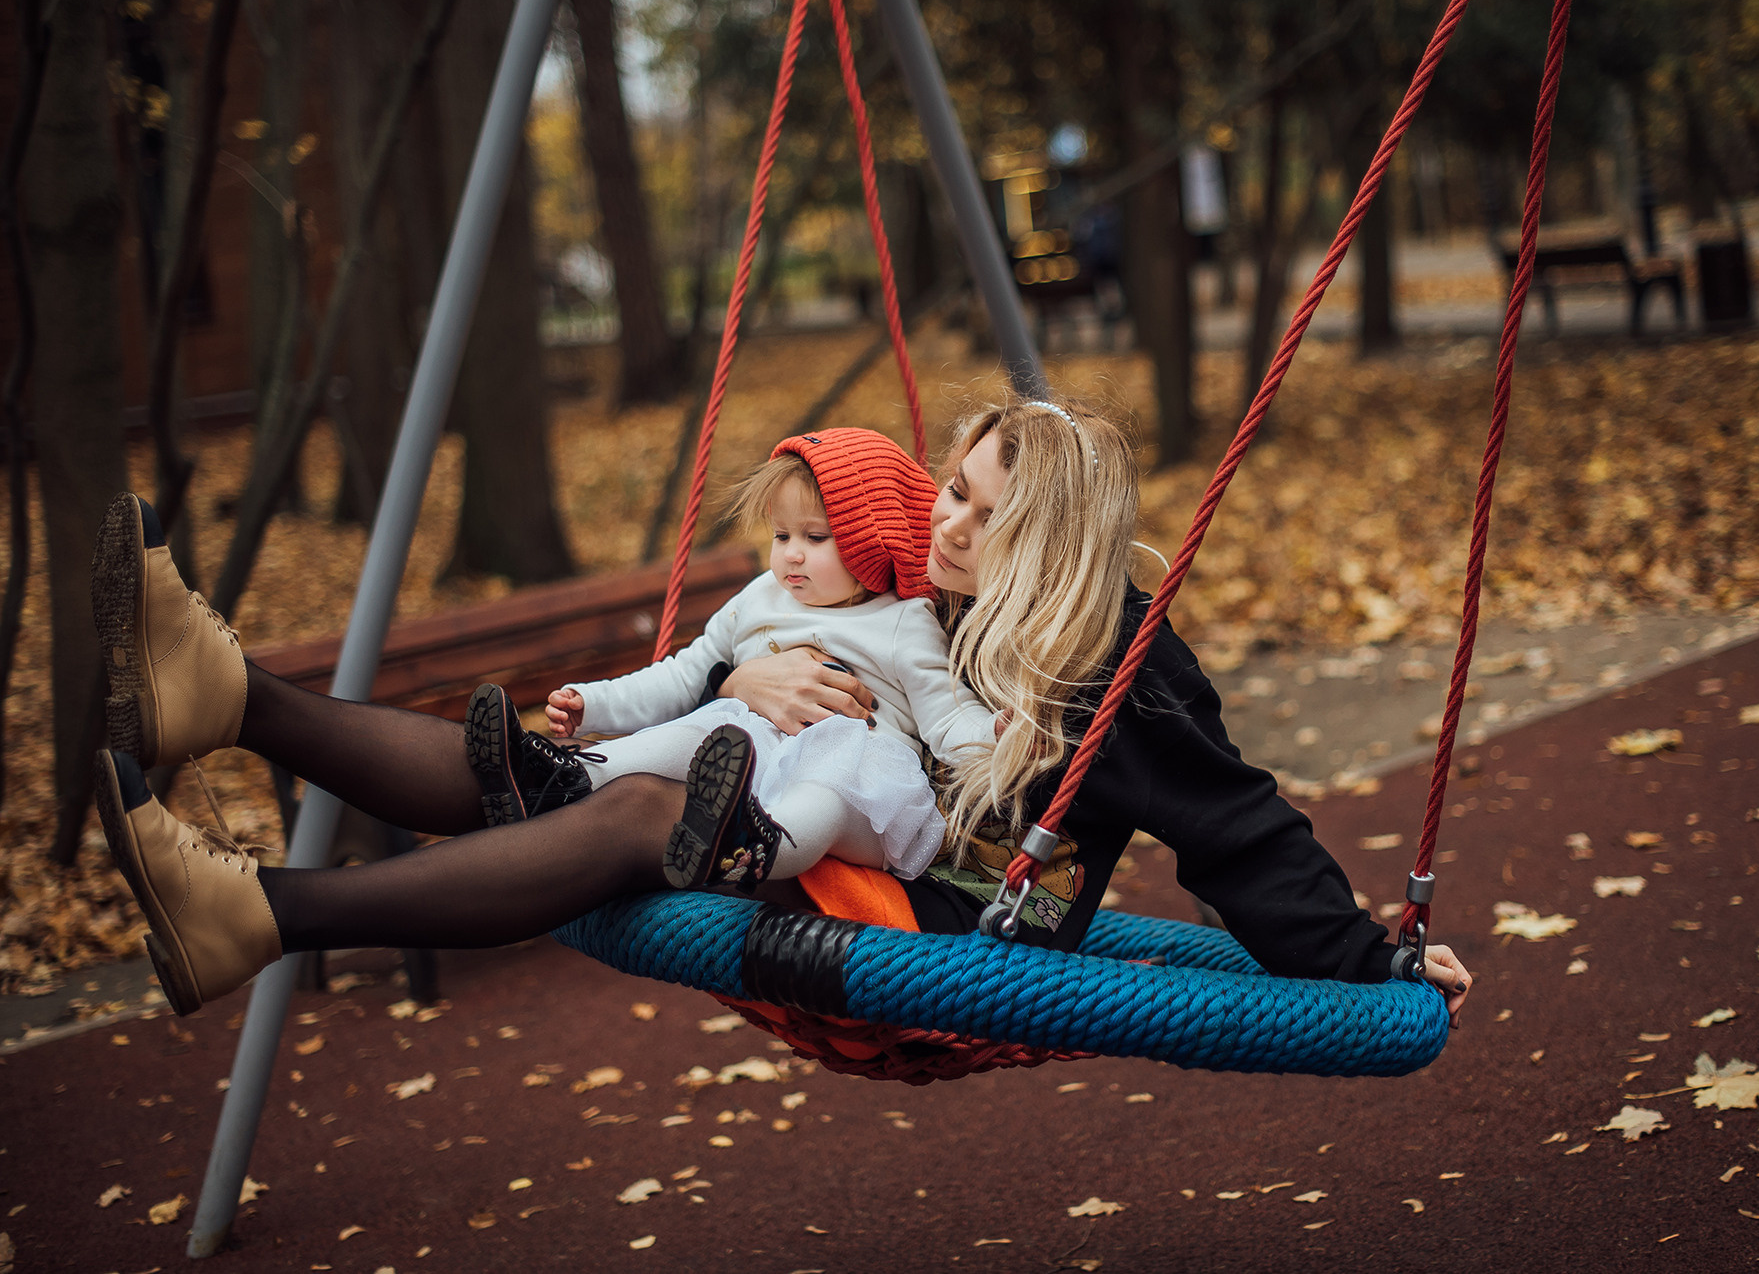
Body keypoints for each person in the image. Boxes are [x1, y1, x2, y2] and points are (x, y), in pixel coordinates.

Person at [87, 395, 1470, 1028]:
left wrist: (1370, 962)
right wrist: (741, 672)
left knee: (624, 805)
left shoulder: (1116, 668)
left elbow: (1238, 827)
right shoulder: (947, 606)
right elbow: (819, 625)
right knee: (569, 771)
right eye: (953, 484)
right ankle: (229, 708)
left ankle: (265, 900)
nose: (948, 515)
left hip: (955, 929)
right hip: (835, 831)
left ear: (1043, 533)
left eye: (984, 506)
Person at [468, 427, 997, 892]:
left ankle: (755, 847)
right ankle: (564, 776)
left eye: (815, 538)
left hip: (865, 782)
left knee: (828, 789)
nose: (791, 553)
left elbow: (946, 714)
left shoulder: (904, 621)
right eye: (781, 535)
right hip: (752, 764)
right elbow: (683, 674)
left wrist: (998, 743)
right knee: (705, 727)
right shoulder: (758, 598)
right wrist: (595, 702)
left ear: (872, 542)